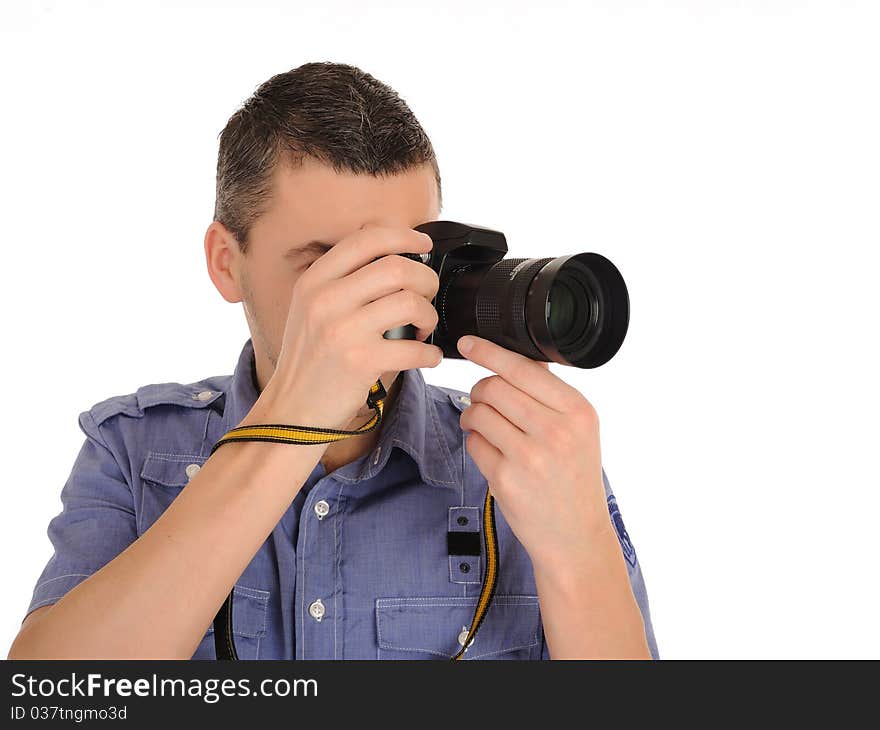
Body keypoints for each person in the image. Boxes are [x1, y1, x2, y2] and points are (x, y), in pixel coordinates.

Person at [8, 62, 658, 660]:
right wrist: (293, 420)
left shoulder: (522, 463)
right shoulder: (133, 451)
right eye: (331, 265)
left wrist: (580, 550)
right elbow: (52, 700)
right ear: (226, 263)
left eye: (406, 260)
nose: (377, 298)